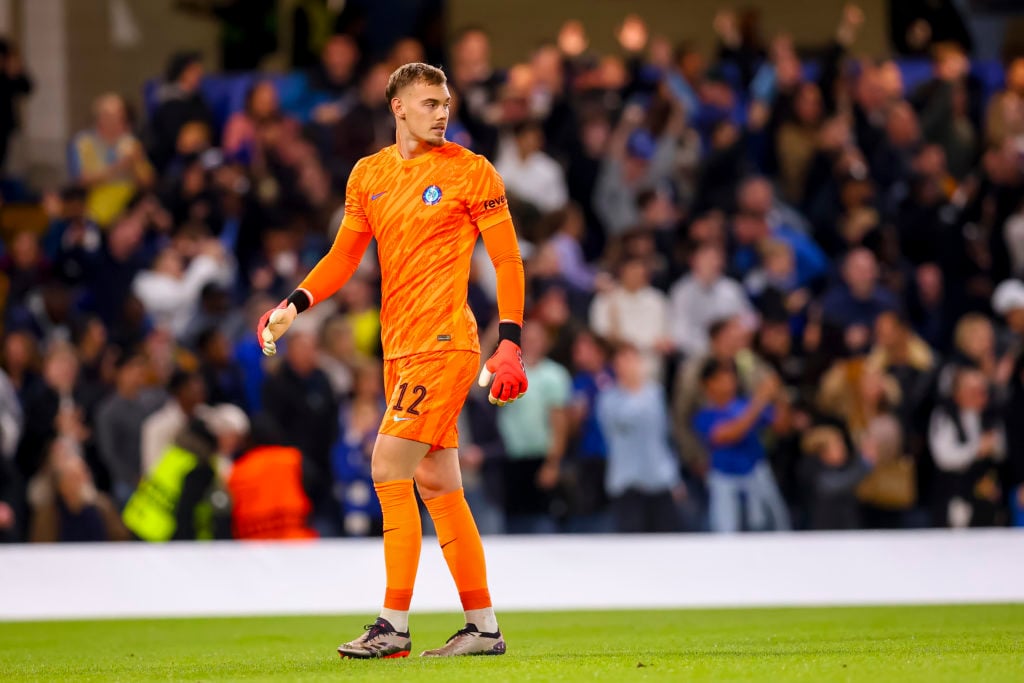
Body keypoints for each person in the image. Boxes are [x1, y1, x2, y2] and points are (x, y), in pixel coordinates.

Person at [257, 63, 526, 659]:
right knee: (438, 485)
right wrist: (294, 303)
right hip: (398, 350)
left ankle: (393, 625)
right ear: (397, 106)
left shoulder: (471, 171)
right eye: (429, 102)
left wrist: (509, 339)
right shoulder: (368, 175)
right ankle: (482, 627)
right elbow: (343, 255)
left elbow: (508, 260)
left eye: (446, 101)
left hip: (444, 344)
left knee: (386, 467)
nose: (442, 111)